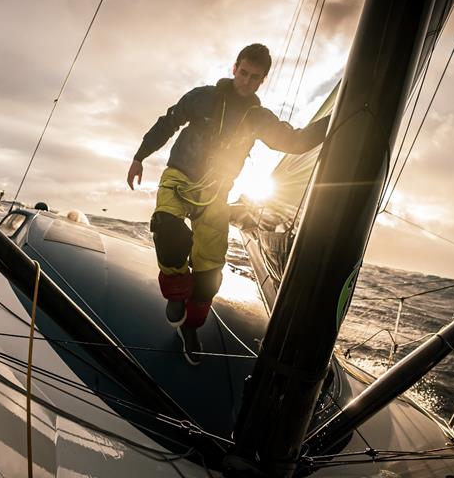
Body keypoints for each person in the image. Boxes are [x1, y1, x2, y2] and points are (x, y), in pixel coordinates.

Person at [126, 44, 327, 365]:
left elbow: (295, 141)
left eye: (255, 77)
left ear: (262, 81)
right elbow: (169, 122)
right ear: (235, 68)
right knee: (168, 229)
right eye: (243, 72)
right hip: (178, 179)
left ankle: (190, 327)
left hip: (216, 195)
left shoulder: (259, 118)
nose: (246, 81)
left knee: (209, 279)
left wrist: (339, 118)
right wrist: (140, 156)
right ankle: (176, 293)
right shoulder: (202, 97)